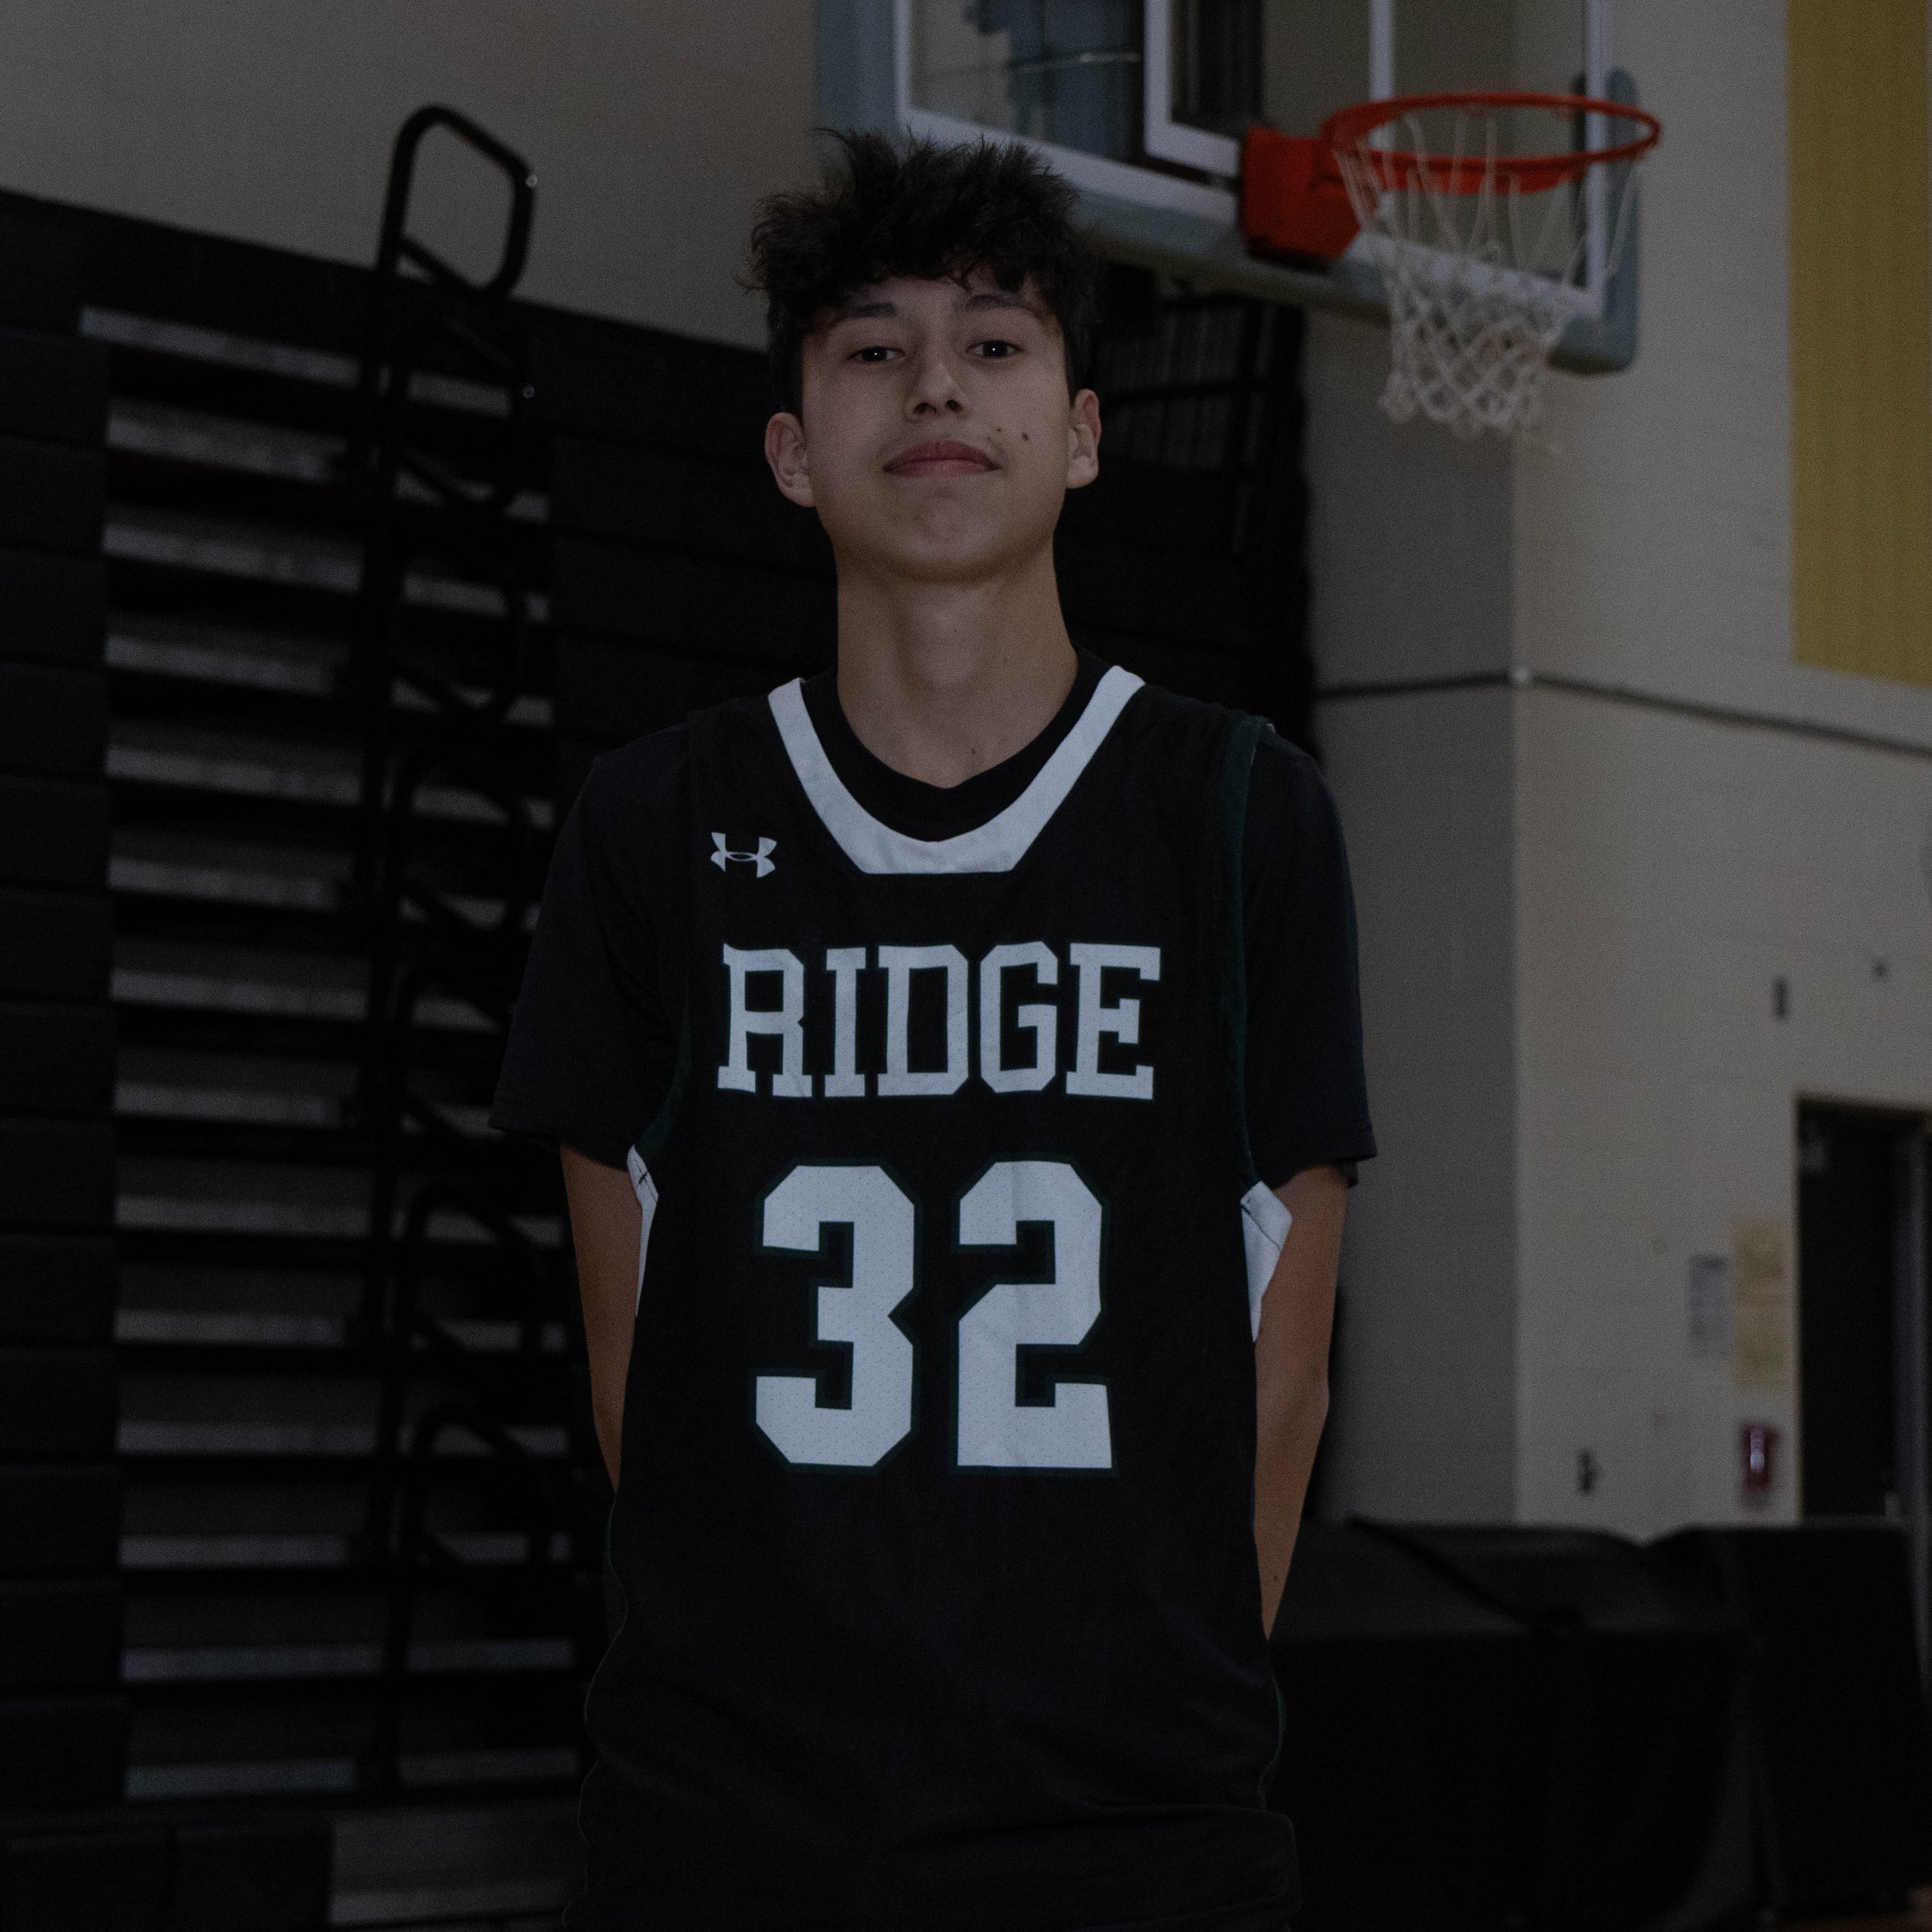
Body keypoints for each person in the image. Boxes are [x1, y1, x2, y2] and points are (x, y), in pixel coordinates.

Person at [491, 130, 1375, 1932]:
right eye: (872, 347)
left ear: (1082, 430)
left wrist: (1149, 1713)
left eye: (992, 341)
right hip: (734, 1828)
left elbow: (1281, 1379)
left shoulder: (1237, 817)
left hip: (1132, 1835)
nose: (935, 387)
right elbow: (634, 1374)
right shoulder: (653, 829)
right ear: (791, 451)